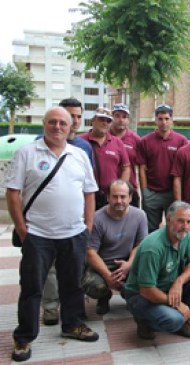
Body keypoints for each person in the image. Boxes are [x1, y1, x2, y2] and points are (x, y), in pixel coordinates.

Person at [6, 107, 99, 362]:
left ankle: (72, 325)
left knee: (73, 286)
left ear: (71, 128)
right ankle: (24, 337)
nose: (57, 127)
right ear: (44, 124)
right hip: (38, 234)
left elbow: (90, 193)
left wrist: (87, 227)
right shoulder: (27, 153)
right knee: (32, 288)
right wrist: (23, 230)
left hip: (73, 234)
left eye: (63, 123)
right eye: (52, 122)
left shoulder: (79, 155)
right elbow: (13, 193)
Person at [40, 97, 94, 327]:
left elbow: (89, 187)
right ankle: (51, 307)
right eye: (69, 116)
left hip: (75, 224)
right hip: (44, 226)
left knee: (73, 269)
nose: (72, 121)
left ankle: (73, 316)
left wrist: (88, 225)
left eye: (77, 117)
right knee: (49, 269)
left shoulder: (83, 148)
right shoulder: (36, 147)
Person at [124, 201, 190, 340]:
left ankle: (183, 322)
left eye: (189, 222)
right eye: (180, 221)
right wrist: (177, 304)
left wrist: (179, 282)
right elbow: (146, 290)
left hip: (166, 287)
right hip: (140, 296)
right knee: (173, 320)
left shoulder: (185, 235)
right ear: (169, 219)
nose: (186, 227)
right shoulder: (153, 248)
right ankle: (144, 321)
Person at [82, 179, 148, 315]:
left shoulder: (140, 216)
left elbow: (140, 244)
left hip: (128, 262)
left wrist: (129, 264)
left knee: (145, 280)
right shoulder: (97, 218)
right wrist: (108, 277)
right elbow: (90, 252)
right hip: (102, 265)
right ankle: (104, 297)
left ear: (130, 198)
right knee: (96, 287)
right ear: (108, 197)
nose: (119, 201)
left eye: (123, 197)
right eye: (115, 196)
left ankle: (131, 296)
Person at [137, 104, 188, 232]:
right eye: (160, 119)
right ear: (155, 120)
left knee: (174, 227)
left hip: (172, 192)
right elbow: (142, 168)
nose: (163, 122)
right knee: (151, 229)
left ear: (171, 120)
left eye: (166, 118)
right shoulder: (145, 141)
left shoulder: (181, 141)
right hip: (152, 192)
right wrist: (145, 191)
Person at [80, 107, 131, 210]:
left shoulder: (117, 142)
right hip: (85, 195)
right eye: (101, 119)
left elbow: (126, 167)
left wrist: (119, 190)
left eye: (108, 121)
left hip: (109, 198)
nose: (105, 123)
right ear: (93, 120)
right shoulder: (80, 141)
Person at [109, 103, 141, 207]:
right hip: (108, 191)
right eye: (117, 116)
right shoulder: (105, 137)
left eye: (124, 117)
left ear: (128, 119)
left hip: (130, 190)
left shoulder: (135, 140)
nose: (121, 119)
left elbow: (141, 165)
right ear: (112, 117)